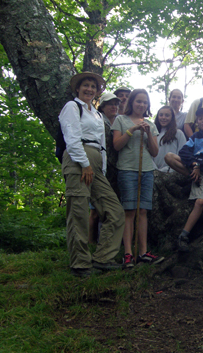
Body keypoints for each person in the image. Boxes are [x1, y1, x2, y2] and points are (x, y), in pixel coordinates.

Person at [59, 72, 125, 277]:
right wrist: (84, 164)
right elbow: (71, 137)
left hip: (95, 162)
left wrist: (100, 168)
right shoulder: (72, 107)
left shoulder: (96, 114)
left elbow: (102, 145)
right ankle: (79, 264)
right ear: (77, 89)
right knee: (78, 212)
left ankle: (103, 257)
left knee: (114, 210)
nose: (89, 89)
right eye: (85, 86)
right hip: (78, 158)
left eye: (93, 87)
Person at [112, 89, 163, 268]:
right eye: (138, 101)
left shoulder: (151, 124)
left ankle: (143, 251)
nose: (142, 105)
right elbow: (117, 145)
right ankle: (128, 253)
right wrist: (133, 129)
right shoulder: (120, 120)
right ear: (131, 102)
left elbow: (155, 152)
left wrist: (148, 133)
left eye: (145, 102)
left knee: (143, 211)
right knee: (129, 211)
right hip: (127, 169)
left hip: (147, 170)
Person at [165, 107, 203, 252]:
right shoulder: (195, 136)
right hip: (194, 167)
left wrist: (200, 165)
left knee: (200, 202)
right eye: (200, 118)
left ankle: (184, 235)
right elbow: (184, 151)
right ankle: (194, 177)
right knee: (169, 157)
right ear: (196, 121)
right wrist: (195, 164)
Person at [88, 93, 121, 244]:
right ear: (102, 106)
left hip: (115, 170)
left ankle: (106, 241)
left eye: (116, 104)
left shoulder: (119, 122)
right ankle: (91, 242)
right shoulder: (97, 120)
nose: (113, 107)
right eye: (110, 104)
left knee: (110, 207)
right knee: (95, 210)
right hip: (99, 168)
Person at [153, 105, 187, 172]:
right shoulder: (153, 134)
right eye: (161, 115)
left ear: (172, 117)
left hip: (172, 171)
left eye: (167, 115)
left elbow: (182, 154)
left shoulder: (178, 133)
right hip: (155, 171)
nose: (163, 117)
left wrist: (170, 169)